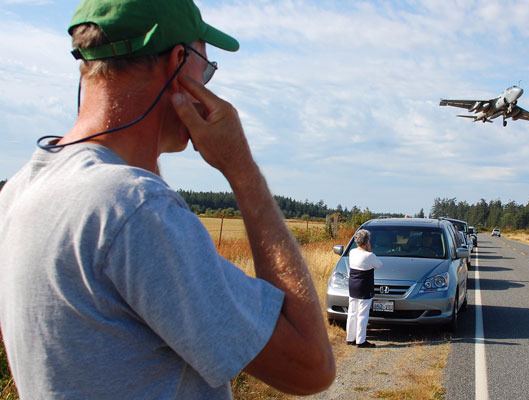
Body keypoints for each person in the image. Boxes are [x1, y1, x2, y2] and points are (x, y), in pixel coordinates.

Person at [0, 0, 335, 399]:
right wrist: (242, 170)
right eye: (205, 69)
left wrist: (148, 151)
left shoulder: (20, 191)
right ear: (178, 62)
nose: (207, 86)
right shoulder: (135, 210)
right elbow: (311, 367)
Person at [346, 229, 383, 348]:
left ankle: (350, 338)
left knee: (352, 312)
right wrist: (370, 250)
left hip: (353, 285)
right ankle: (361, 341)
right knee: (362, 314)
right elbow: (379, 265)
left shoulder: (352, 252)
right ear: (367, 242)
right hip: (364, 287)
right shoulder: (369, 255)